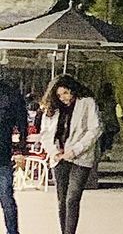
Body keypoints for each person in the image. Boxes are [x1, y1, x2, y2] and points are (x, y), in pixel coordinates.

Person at [39, 77, 101, 234]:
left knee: (72, 198)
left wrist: (75, 150)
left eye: (66, 93)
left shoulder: (87, 103)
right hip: (59, 158)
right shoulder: (52, 107)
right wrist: (53, 151)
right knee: (61, 202)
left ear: (73, 90)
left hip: (80, 157)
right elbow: (45, 133)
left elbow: (94, 129)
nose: (63, 98)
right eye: (59, 95)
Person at [0, 79, 28, 234]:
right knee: (7, 199)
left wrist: (20, 150)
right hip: (4, 154)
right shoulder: (11, 93)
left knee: (7, 199)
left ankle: (12, 232)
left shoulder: (10, 94)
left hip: (3, 155)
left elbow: (22, 123)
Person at [96, 84, 122, 159]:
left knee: (102, 138)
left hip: (102, 121)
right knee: (109, 138)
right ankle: (107, 153)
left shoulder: (99, 101)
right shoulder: (113, 101)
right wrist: (121, 116)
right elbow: (118, 110)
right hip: (111, 121)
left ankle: (102, 152)